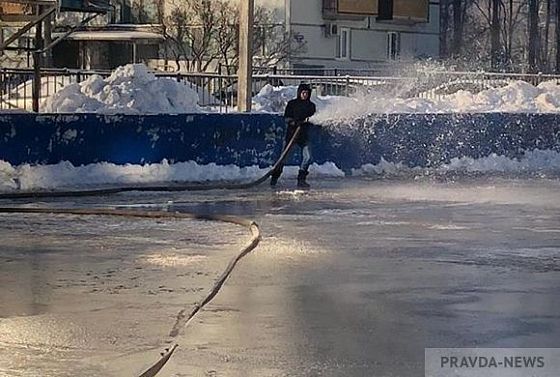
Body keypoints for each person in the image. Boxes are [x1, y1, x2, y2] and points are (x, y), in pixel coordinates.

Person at [270, 83, 317, 188]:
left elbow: (314, 119)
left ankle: (301, 179)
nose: (305, 95)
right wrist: (294, 122)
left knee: (308, 157)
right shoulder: (292, 104)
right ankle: (274, 178)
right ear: (299, 93)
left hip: (304, 136)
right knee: (283, 158)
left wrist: (309, 122)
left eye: (307, 93)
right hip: (291, 135)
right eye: (303, 93)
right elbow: (286, 118)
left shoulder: (311, 106)